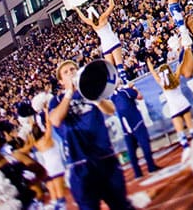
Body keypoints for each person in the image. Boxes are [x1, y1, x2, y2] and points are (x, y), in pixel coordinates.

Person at [48, 60, 133, 210]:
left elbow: (110, 110)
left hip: (105, 158)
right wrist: (69, 93)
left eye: (72, 69)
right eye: (66, 72)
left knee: (121, 205)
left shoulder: (90, 92)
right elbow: (55, 120)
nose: (71, 73)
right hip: (80, 164)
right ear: (61, 81)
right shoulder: (56, 101)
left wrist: (95, 97)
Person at [75, 0, 130, 82]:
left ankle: (114, 85)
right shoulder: (102, 18)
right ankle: (124, 81)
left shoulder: (92, 23)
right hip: (113, 41)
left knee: (110, 68)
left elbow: (83, 19)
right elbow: (112, 5)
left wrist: (77, 9)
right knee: (119, 64)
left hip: (105, 45)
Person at [110, 82, 160, 179]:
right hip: (136, 121)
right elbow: (140, 96)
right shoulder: (125, 91)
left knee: (131, 150)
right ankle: (151, 167)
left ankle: (137, 173)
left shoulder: (112, 97)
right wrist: (133, 87)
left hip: (125, 125)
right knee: (145, 144)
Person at [145, 58, 193, 156]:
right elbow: (180, 63)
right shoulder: (176, 77)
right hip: (183, 103)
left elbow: (152, 72)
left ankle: (186, 148)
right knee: (191, 126)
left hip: (174, 108)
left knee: (180, 131)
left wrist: (148, 61)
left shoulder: (162, 83)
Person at [28, 94, 67, 210]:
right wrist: (45, 110)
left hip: (48, 167)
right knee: (61, 193)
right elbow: (49, 124)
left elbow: (33, 130)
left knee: (55, 192)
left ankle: (57, 205)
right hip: (57, 165)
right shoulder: (46, 139)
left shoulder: (36, 144)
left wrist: (31, 120)